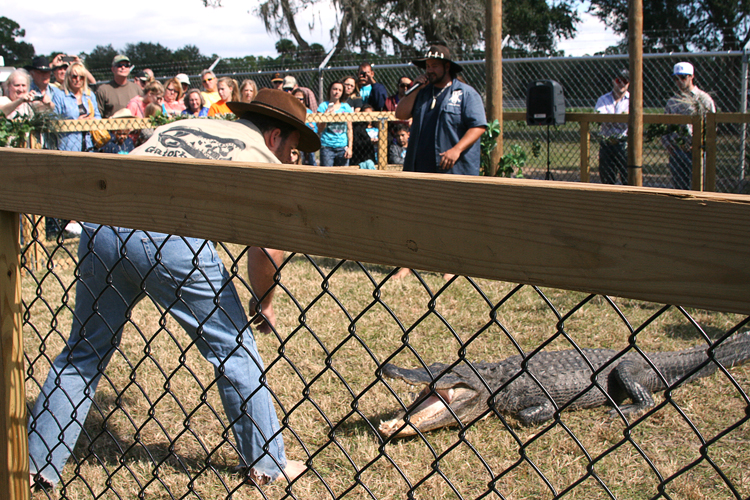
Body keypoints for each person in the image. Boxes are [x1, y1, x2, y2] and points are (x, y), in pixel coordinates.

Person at [27, 89, 320, 491]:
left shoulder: (183, 124)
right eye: (294, 149)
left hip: (102, 224)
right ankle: (267, 463)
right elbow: (267, 247)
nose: (293, 158)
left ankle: (36, 465)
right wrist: (265, 301)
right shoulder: (263, 158)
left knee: (83, 352)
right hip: (171, 235)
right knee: (233, 350)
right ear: (274, 137)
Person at [394, 44, 487, 279]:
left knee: (452, 218)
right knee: (414, 215)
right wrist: (415, 88)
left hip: (452, 169)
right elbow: (400, 114)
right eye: (427, 65)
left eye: (434, 65)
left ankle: (451, 265)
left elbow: (478, 126)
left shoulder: (466, 93)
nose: (430, 69)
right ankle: (408, 264)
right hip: (419, 165)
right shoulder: (422, 92)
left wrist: (457, 149)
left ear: (447, 67)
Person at [662, 61, 716, 190]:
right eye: (676, 78)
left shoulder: (703, 99)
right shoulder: (672, 101)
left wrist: (702, 144)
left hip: (696, 150)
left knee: (699, 187)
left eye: (683, 77)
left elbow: (711, 126)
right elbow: (665, 127)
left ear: (692, 77)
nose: (679, 81)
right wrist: (668, 145)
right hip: (676, 150)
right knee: (679, 188)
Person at [52, 61, 102, 152]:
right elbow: (53, 121)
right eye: (74, 76)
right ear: (68, 78)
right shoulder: (59, 96)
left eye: (81, 77)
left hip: (89, 144)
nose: (78, 79)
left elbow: (98, 116)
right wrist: (76, 122)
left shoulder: (89, 95)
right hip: (68, 146)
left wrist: (93, 120)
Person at [595, 69, 630, 185]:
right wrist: (620, 119)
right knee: (606, 179)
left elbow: (627, 121)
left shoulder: (633, 100)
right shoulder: (603, 99)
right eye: (618, 80)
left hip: (624, 144)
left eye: (625, 81)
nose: (621, 84)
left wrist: (610, 120)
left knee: (627, 178)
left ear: (628, 83)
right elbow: (600, 118)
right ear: (613, 81)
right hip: (606, 143)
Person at [317, 80, 353, 166]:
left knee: (343, 176)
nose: (337, 92)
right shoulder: (323, 106)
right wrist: (325, 117)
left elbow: (349, 129)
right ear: (330, 90)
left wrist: (350, 148)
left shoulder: (346, 107)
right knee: (327, 176)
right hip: (327, 147)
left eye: (340, 90)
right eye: (335, 89)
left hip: (342, 146)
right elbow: (319, 128)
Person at [292, 88, 317, 165]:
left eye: (301, 99)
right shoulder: (290, 110)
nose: (299, 101)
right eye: (296, 98)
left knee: (311, 161)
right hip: (295, 140)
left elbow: (315, 128)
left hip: (307, 139)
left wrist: (312, 128)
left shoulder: (309, 112)